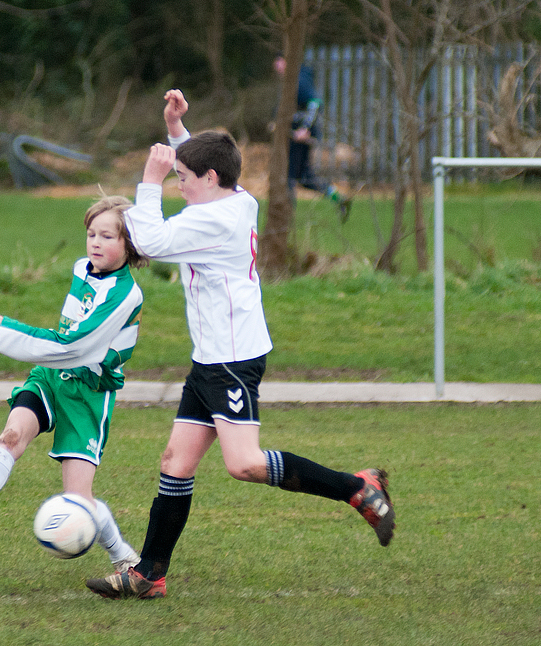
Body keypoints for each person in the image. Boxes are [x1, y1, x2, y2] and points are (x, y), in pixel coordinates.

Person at [85, 89, 395, 600]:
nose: (178, 186)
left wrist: (149, 181)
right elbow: (207, 169)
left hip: (230, 360)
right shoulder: (235, 198)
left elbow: (151, 242)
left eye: (184, 179)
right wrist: (178, 133)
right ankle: (148, 573)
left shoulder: (213, 219)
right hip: (211, 358)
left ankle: (358, 488)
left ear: (208, 180)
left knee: (244, 464)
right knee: (175, 463)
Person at [0, 195, 147, 575]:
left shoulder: (125, 295)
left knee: (79, 500)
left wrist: (12, 331)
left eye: (107, 236)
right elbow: (65, 337)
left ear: (129, 244)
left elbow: (76, 345)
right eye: (91, 234)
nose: (96, 243)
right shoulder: (81, 269)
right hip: (51, 376)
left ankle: (123, 557)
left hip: (87, 393)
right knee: (11, 435)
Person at [272, 53, 352, 223]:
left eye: (279, 62)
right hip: (294, 136)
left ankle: (285, 220)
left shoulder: (298, 81)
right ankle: (338, 198)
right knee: (304, 177)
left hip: (300, 139)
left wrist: (304, 128)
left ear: (286, 61)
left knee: (290, 175)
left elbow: (315, 102)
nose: (276, 67)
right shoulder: (290, 82)